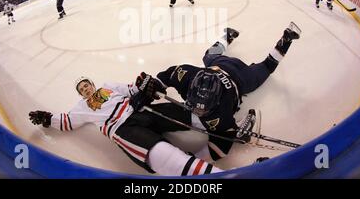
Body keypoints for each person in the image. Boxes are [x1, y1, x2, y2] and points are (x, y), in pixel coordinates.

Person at [148, 23, 301, 162]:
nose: (198, 112)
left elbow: (221, 146)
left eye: (203, 109)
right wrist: (156, 85)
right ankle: (285, 38)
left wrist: (157, 85)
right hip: (222, 66)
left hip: (242, 77)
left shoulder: (220, 112)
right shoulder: (187, 75)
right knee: (210, 56)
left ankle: (283, 39)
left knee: (267, 67)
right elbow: (168, 75)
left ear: (217, 101)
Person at [28, 74, 222, 176]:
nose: (85, 89)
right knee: (158, 151)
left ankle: (224, 127)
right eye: (81, 89)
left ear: (92, 84)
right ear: (80, 94)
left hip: (139, 111)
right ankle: (213, 175)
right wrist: (47, 118)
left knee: (182, 113)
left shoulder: (108, 86)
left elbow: (132, 89)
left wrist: (144, 83)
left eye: (86, 85)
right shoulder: (81, 107)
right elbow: (66, 122)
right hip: (123, 129)